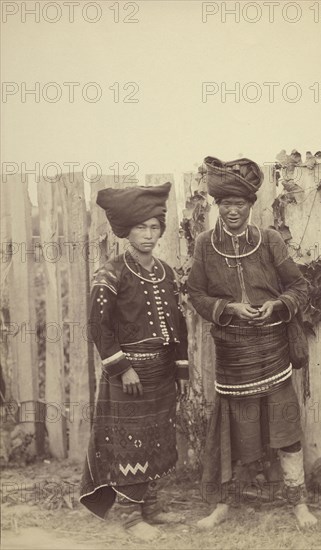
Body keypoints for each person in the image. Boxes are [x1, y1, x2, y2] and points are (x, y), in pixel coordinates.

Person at [187, 157, 317, 529]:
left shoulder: (270, 240)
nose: (232, 211)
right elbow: (195, 294)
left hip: (273, 352)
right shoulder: (205, 245)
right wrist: (229, 308)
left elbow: (300, 287)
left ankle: (298, 501)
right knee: (232, 432)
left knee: (285, 428)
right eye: (225, 204)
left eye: (239, 205)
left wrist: (277, 305)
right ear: (217, 205)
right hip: (233, 355)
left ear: (250, 206)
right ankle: (224, 504)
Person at [80, 182, 189, 541]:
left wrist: (181, 369)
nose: (149, 234)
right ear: (126, 230)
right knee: (131, 442)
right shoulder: (110, 273)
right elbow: (98, 325)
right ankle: (129, 515)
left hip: (161, 371)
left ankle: (152, 506)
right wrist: (122, 368)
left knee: (159, 437)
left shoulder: (166, 272)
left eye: (154, 227)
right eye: (141, 227)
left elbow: (178, 323)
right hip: (128, 373)